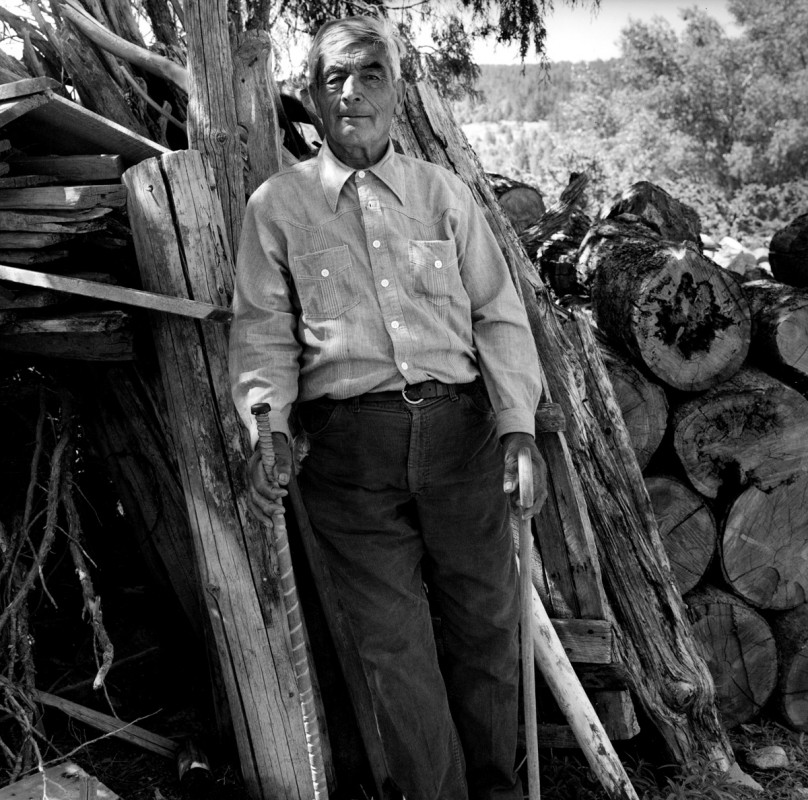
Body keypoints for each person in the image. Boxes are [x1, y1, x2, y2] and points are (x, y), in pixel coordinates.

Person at [229, 15, 548, 800]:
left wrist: (517, 428)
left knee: (485, 628)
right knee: (392, 649)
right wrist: (268, 428)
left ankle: (499, 791)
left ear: (397, 91)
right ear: (312, 98)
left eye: (370, 74)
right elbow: (263, 334)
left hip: (461, 439)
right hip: (349, 455)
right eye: (333, 79)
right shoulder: (279, 206)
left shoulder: (443, 196)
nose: (352, 93)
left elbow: (498, 315)